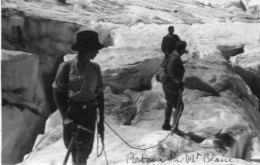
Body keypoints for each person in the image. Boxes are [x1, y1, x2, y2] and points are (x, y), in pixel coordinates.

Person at [52, 30, 105, 165]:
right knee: (75, 152)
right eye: (95, 49)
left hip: (90, 114)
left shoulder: (95, 68)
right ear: (86, 50)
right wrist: (65, 118)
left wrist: (101, 120)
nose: (97, 52)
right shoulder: (66, 67)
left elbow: (99, 94)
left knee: (84, 152)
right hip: (74, 114)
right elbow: (57, 93)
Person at [161, 41, 187, 131]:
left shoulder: (172, 55)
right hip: (171, 84)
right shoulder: (175, 57)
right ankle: (174, 127)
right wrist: (177, 81)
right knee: (179, 106)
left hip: (168, 83)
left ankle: (166, 124)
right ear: (181, 49)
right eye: (184, 48)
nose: (184, 51)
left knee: (169, 103)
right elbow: (170, 69)